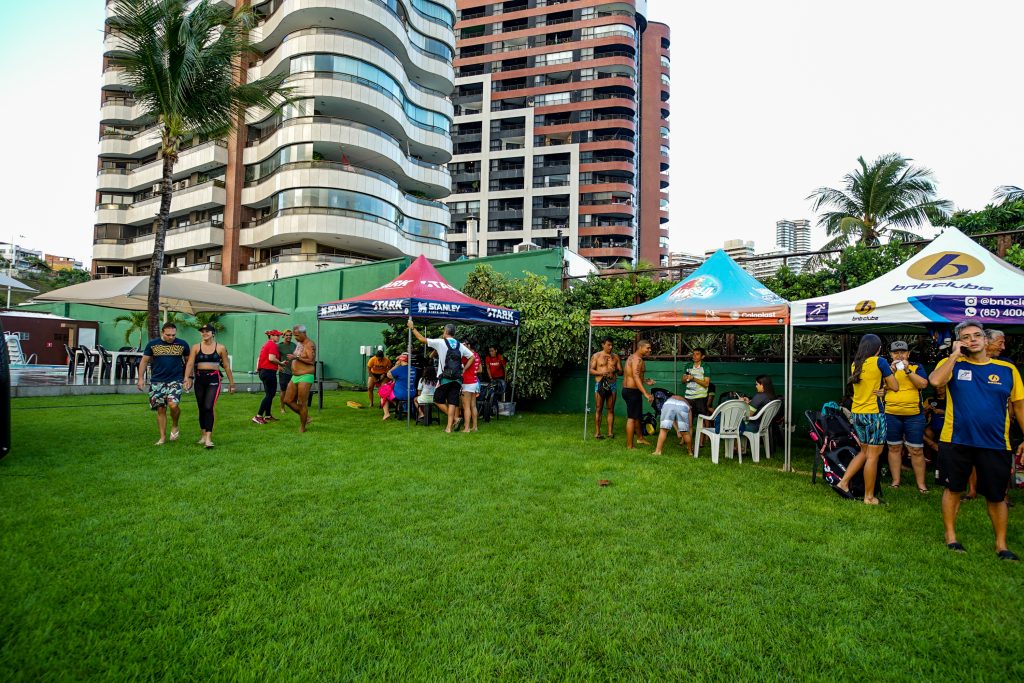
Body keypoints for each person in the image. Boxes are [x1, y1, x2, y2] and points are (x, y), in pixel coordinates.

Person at [929, 321, 1024, 560]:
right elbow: (936, 382)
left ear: (985, 339)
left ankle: (1001, 545)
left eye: (977, 335)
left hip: (995, 442)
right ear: (959, 341)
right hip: (956, 439)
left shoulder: (1007, 370)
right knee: (953, 489)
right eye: (966, 336)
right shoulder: (952, 364)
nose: (972, 339)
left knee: (997, 495)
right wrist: (954, 355)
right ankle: (951, 537)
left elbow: (1020, 407)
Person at [834, 334, 899, 504]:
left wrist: (883, 385)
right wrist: (886, 385)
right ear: (878, 348)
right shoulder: (880, 362)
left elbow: (870, 382)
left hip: (857, 413)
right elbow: (895, 386)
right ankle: (869, 497)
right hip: (874, 413)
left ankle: (843, 483)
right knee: (873, 456)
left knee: (864, 452)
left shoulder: (855, 364)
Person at [408, 319, 473, 434]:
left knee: (437, 400)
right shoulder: (460, 345)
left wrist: (412, 328)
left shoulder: (441, 342)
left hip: (445, 378)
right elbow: (472, 356)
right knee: (452, 402)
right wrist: (464, 369)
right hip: (457, 378)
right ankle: (448, 427)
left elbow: (421, 339)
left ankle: (455, 419)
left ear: (446, 332)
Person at [883, 340, 930, 493]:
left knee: (916, 449)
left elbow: (923, 384)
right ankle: (895, 482)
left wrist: (908, 370)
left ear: (908, 354)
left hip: (914, 415)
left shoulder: (917, 367)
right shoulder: (885, 368)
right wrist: (890, 372)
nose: (899, 355)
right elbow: (879, 388)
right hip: (891, 413)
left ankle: (921, 485)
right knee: (894, 447)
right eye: (896, 352)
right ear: (891, 355)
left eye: (903, 352)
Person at [136, 322, 190, 446]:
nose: (171, 337)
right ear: (162, 332)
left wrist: (189, 377)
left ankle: (175, 425)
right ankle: (162, 438)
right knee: (160, 409)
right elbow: (144, 361)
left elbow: (189, 361)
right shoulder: (153, 344)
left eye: (173, 335)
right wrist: (140, 378)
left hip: (175, 380)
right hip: (157, 380)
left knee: (173, 404)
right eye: (168, 335)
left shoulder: (182, 344)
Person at [183, 324, 236, 448]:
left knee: (208, 406)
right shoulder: (196, 347)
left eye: (207, 331)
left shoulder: (220, 348)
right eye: (202, 331)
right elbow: (190, 363)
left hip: (214, 379)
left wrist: (232, 383)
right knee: (201, 408)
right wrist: (186, 378)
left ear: (213, 333)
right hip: (200, 379)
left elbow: (226, 366)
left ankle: (208, 438)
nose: (204, 333)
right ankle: (203, 435)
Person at [283, 324, 317, 433]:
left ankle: (302, 427)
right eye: (294, 335)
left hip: (305, 375)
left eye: (297, 335)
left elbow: (311, 361)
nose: (295, 338)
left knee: (302, 403)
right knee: (287, 400)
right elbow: (297, 357)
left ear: (304, 333)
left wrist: (296, 357)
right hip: (295, 376)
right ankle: (306, 417)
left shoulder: (310, 344)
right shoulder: (299, 343)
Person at [622, 339, 655, 449]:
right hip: (632, 392)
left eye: (650, 348)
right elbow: (635, 376)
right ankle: (629, 446)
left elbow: (633, 376)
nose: (649, 350)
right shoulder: (638, 360)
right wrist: (646, 393)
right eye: (647, 348)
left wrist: (645, 381)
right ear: (640, 347)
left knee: (637, 416)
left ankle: (640, 438)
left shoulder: (632, 357)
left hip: (629, 390)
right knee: (632, 418)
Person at [589, 337, 623, 439]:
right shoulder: (596, 356)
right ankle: (597, 433)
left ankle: (610, 433)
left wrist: (614, 370)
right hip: (600, 384)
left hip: (612, 385)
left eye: (612, 345)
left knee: (611, 409)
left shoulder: (615, 357)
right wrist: (601, 373)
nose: (610, 347)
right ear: (603, 345)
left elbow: (621, 371)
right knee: (598, 408)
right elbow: (591, 370)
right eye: (608, 345)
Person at [254, 330, 282, 424]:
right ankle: (258, 416)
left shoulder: (267, 344)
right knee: (270, 394)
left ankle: (268, 415)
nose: (278, 337)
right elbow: (271, 358)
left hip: (264, 372)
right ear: (271, 336)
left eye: (279, 335)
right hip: (268, 372)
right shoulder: (272, 344)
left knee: (269, 394)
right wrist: (280, 363)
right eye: (276, 335)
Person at [683, 348, 711, 434]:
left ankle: (705, 438)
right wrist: (685, 378)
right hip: (688, 397)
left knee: (702, 419)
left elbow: (706, 384)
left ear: (702, 356)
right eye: (693, 354)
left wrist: (693, 378)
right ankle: (687, 438)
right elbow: (683, 381)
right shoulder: (688, 365)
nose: (694, 356)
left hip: (700, 397)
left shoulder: (705, 367)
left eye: (697, 354)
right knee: (688, 420)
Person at [382, 353, 417, 421]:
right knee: (392, 395)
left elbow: (388, 375)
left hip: (401, 394)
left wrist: (396, 366)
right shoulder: (413, 368)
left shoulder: (399, 369)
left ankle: (386, 413)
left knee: (384, 394)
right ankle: (400, 408)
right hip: (412, 393)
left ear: (400, 361)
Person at [460, 340, 482, 433]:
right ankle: (475, 427)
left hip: (467, 382)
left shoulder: (466, 356)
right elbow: (479, 369)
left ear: (469, 345)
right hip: (474, 381)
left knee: (466, 406)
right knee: (473, 405)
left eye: (465, 344)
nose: (463, 346)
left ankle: (467, 428)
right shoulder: (476, 355)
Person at [277, 328, 296, 415]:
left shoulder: (294, 345)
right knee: (283, 390)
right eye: (287, 335)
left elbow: (297, 356)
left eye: (290, 335)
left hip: (293, 371)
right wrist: (278, 365)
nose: (289, 337)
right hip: (284, 371)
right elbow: (275, 357)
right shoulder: (279, 346)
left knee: (294, 390)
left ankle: (294, 406)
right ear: (283, 336)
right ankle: (282, 408)